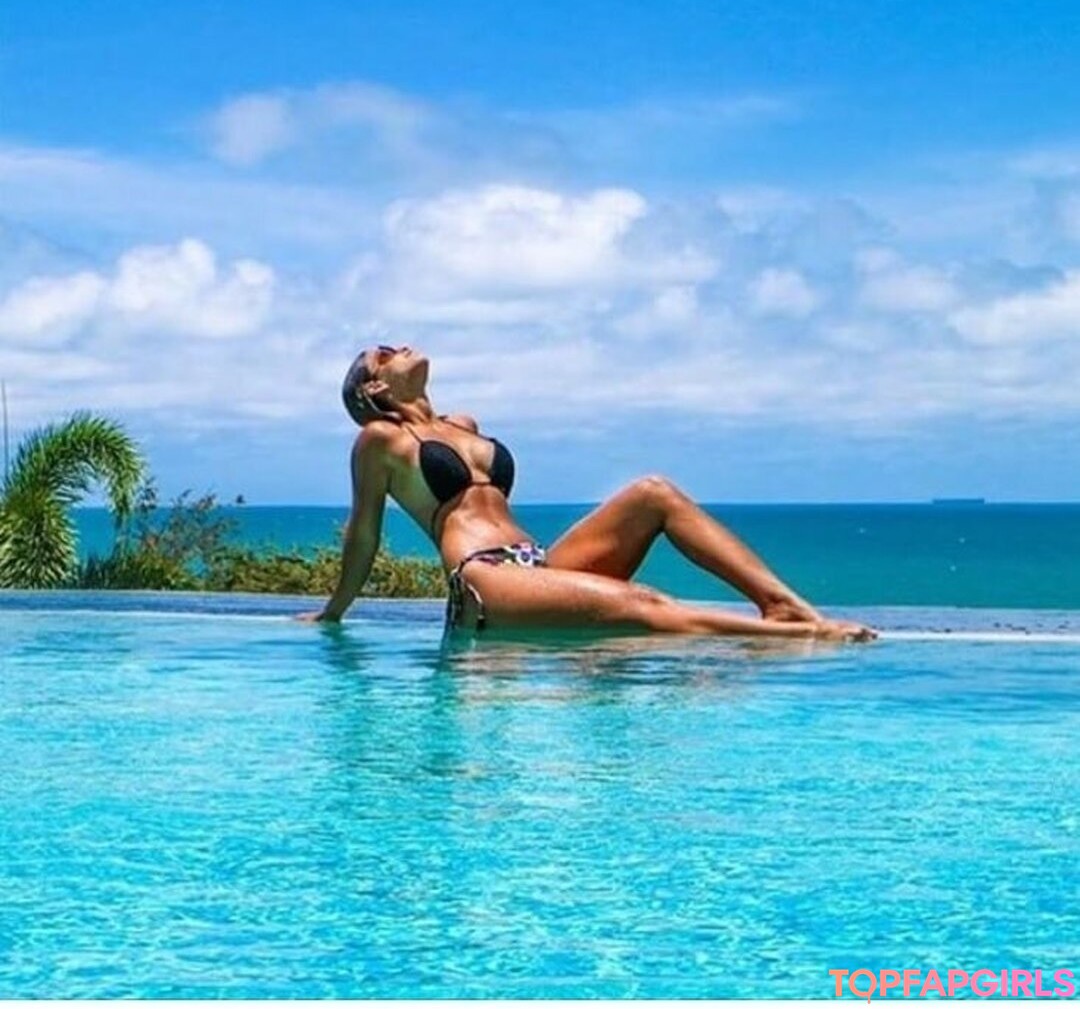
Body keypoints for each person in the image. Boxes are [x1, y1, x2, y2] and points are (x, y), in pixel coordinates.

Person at [300, 345, 876, 641]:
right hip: (484, 581)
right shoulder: (379, 442)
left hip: (537, 564)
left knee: (653, 492)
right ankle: (799, 637)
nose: (400, 347)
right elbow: (365, 533)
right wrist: (334, 612)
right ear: (375, 388)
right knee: (642, 604)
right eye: (384, 353)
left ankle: (786, 608)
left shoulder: (464, 426)